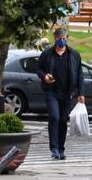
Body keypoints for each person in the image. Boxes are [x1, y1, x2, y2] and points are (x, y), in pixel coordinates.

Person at [36, 27, 84, 160]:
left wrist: (81, 93)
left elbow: (80, 74)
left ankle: (61, 149)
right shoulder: (47, 54)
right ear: (55, 39)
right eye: (59, 39)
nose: (62, 41)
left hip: (68, 93)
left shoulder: (74, 54)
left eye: (64, 39)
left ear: (67, 38)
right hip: (52, 92)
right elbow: (38, 69)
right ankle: (54, 148)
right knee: (54, 117)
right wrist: (44, 76)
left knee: (63, 120)